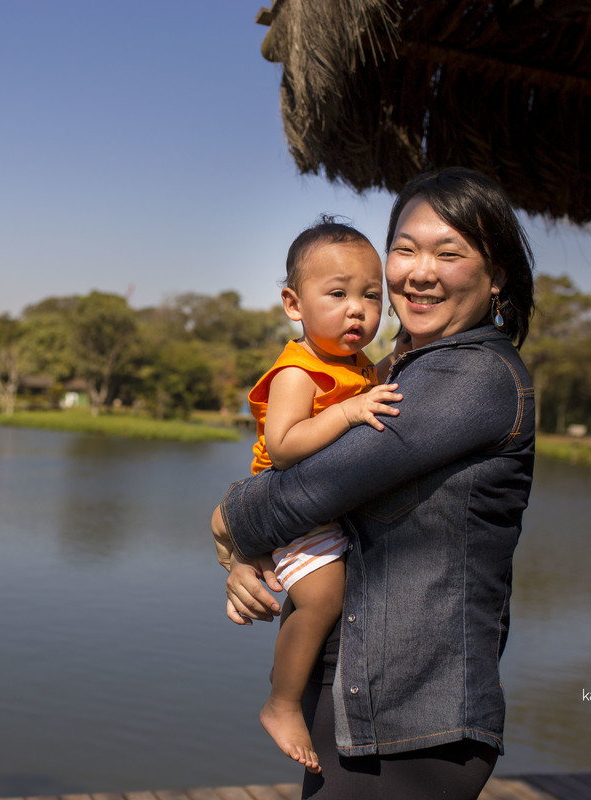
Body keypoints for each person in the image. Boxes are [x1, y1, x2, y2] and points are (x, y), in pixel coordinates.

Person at [212, 167, 536, 800]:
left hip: (416, 719)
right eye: (406, 248)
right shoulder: (388, 370)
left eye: (450, 252)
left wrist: (226, 525)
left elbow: (310, 490)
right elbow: (298, 481)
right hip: (362, 695)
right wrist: (250, 550)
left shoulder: (470, 378)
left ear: (495, 275)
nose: (420, 271)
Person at [239, 218, 403, 773]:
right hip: (289, 509)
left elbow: (366, 385)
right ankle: (281, 703)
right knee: (322, 597)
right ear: (294, 303)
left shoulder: (351, 364)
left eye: (371, 296)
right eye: (337, 294)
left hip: (318, 509)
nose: (357, 309)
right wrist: (350, 410)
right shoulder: (297, 371)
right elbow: (283, 447)